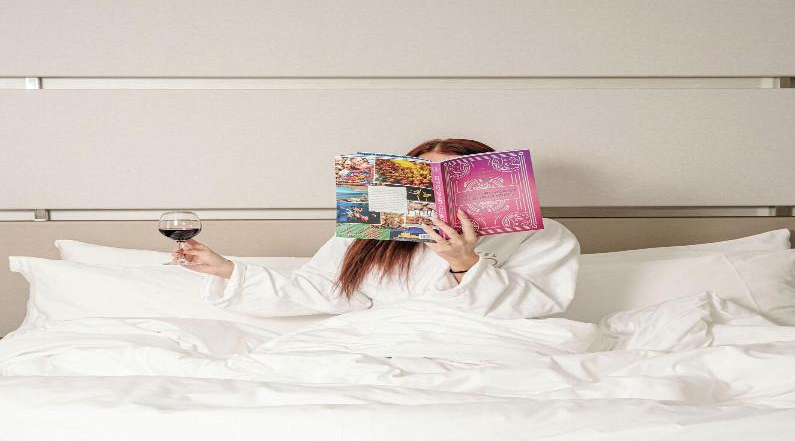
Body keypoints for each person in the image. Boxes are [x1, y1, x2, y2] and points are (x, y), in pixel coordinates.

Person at [181, 138, 580, 321]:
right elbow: (325, 289)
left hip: (489, 344)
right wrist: (228, 270)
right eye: (425, 177)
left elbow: (536, 305)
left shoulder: (544, 234)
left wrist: (465, 264)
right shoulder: (371, 231)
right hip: (387, 340)